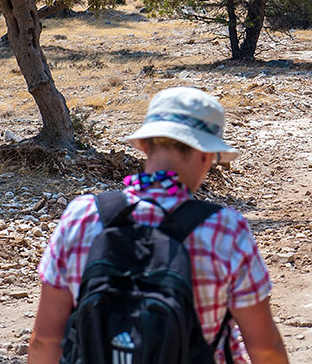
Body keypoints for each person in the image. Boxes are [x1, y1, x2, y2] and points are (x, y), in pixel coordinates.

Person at [29, 87, 289, 364]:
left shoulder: (82, 215)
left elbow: (45, 340)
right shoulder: (225, 228)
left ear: (144, 146)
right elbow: (264, 348)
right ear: (205, 155)